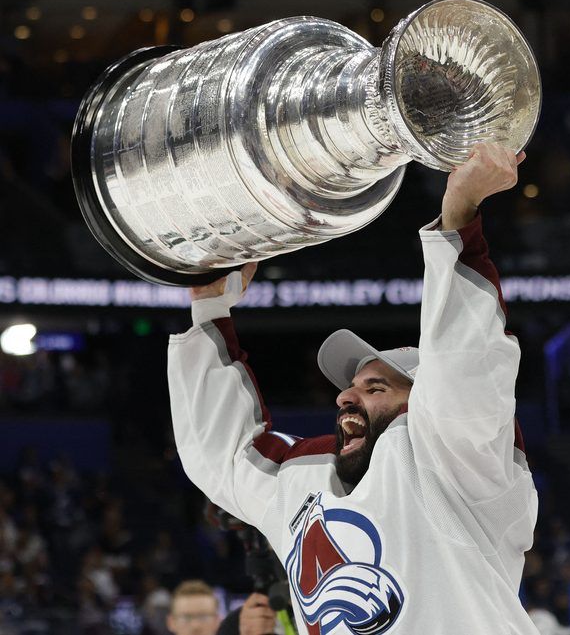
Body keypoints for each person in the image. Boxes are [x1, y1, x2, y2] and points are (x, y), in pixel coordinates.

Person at [168, 144, 538, 633]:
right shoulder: (302, 481)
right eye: (350, 387)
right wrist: (209, 309)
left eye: (375, 387)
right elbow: (222, 454)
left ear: (422, 403)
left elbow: (466, 370)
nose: (346, 395)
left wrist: (458, 219)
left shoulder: (460, 468)